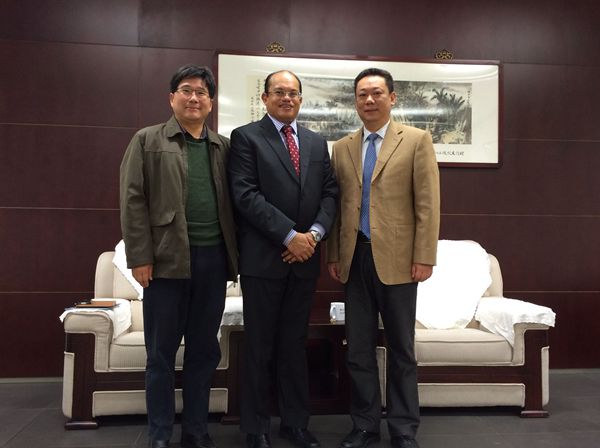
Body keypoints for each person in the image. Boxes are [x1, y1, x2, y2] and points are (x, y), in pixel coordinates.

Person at [120, 64, 238, 448]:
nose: (194, 98)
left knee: (203, 352)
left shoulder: (223, 148)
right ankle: (159, 433)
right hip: (165, 263)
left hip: (212, 261)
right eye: (186, 90)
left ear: (211, 103)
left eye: (201, 92)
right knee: (160, 354)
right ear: (172, 98)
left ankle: (196, 430)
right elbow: (132, 201)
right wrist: (140, 257)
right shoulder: (147, 140)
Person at [327, 68, 440, 448]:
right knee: (358, 349)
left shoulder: (416, 140)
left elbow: (427, 204)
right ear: (355, 101)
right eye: (362, 94)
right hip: (354, 257)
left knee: (401, 350)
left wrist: (424, 256)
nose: (369, 100)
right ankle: (365, 425)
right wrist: (334, 254)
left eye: (376, 93)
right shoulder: (342, 147)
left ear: (392, 98)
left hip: (400, 260)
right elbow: (338, 206)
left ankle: (404, 429)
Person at [228, 70, 338, 448]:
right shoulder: (246, 138)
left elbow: (330, 194)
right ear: (265, 98)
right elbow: (245, 195)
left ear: (301, 100)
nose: (286, 98)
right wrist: (290, 236)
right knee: (259, 346)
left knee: (294, 344)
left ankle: (295, 423)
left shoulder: (316, 142)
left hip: (304, 261)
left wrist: (314, 236)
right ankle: (255, 428)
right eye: (279, 92)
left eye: (293, 93)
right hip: (263, 262)